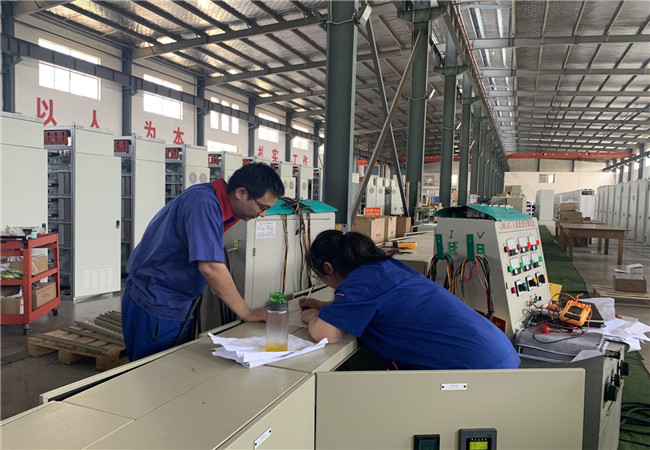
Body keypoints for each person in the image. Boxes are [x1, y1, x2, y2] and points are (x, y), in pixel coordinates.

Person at [122, 162, 285, 361]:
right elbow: (211, 267)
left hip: (171, 298)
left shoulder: (209, 199)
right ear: (241, 193)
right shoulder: (203, 203)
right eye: (262, 207)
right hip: (157, 301)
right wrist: (247, 312)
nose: (263, 214)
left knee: (170, 365)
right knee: (154, 369)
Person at [299, 230, 520, 370]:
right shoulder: (384, 268)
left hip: (476, 370)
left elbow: (328, 334)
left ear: (328, 268)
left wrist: (311, 316)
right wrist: (324, 306)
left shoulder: (359, 283)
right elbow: (374, 305)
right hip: (498, 353)